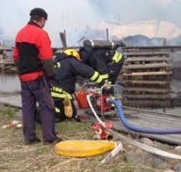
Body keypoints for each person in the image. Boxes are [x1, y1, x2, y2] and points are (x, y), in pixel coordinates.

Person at [13, 8, 60, 144]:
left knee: (27, 108)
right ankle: (49, 138)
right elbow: (46, 59)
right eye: (45, 21)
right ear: (42, 19)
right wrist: (51, 76)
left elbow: (16, 57)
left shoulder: (20, 33)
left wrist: (21, 72)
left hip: (24, 77)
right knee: (46, 106)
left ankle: (30, 138)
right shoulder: (41, 34)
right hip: (38, 77)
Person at [51, 49, 110, 121]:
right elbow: (88, 72)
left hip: (50, 95)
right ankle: (54, 114)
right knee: (65, 115)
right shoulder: (71, 62)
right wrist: (103, 83)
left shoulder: (56, 62)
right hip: (61, 97)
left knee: (72, 114)